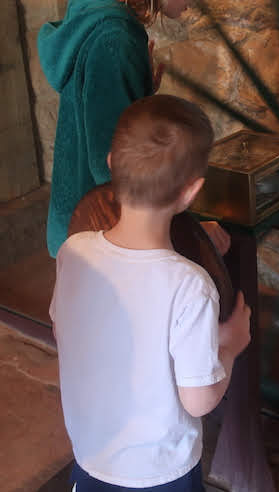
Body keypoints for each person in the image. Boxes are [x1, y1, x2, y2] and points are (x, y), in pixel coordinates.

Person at [50, 94, 251, 491]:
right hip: (161, 472)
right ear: (191, 192)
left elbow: (63, 332)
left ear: (111, 164)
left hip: (91, 456)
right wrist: (230, 346)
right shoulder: (190, 286)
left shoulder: (73, 251)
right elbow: (198, 400)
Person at [38, 0, 229, 258]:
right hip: (95, 231)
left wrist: (140, 95)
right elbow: (114, 166)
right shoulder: (116, 41)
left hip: (84, 221)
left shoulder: (105, 23)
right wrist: (189, 233)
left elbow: (104, 116)